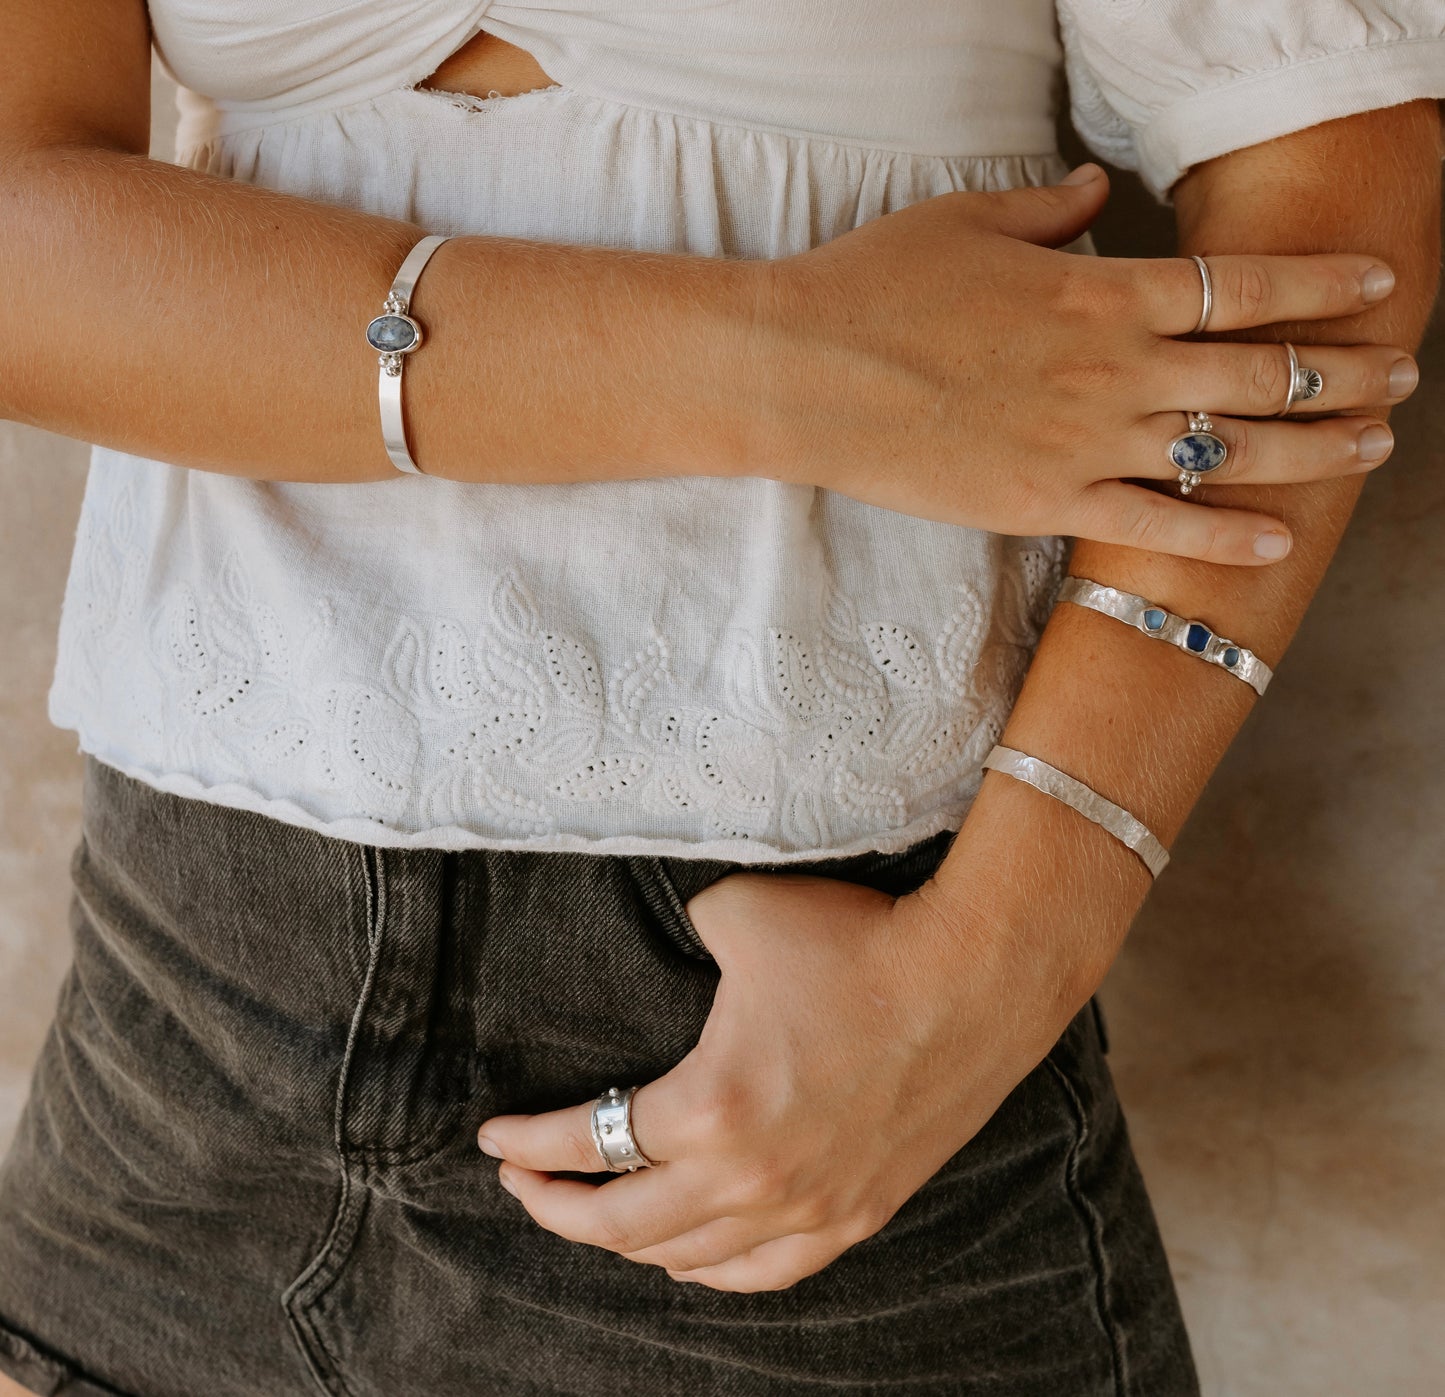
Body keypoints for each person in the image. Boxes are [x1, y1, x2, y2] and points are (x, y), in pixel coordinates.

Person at [0, 0, 1441, 1392]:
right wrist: (792, 365)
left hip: (796, 1076)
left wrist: (1001, 959)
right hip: (180, 1046)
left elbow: (1323, 171)